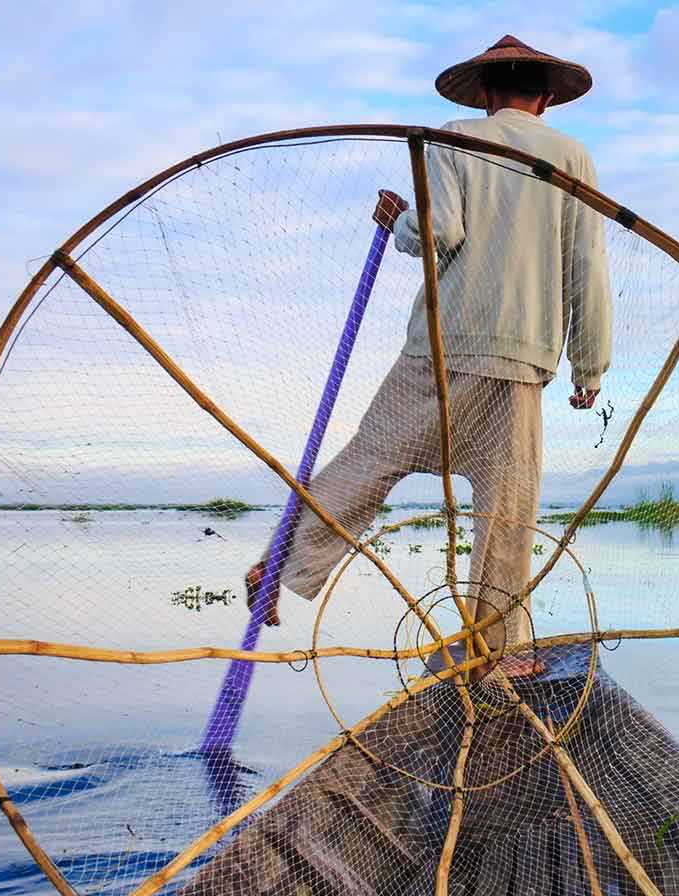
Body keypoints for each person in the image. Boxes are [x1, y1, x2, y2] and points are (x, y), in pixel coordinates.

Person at [246, 36, 611, 678]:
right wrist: (590, 366)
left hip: (445, 342)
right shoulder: (572, 155)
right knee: (507, 502)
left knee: (372, 459)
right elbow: (587, 262)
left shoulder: (456, 138)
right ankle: (497, 650)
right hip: (524, 355)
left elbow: (438, 233)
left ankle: (283, 562)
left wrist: (401, 221)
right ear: (546, 100)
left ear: (487, 95)